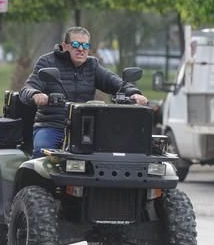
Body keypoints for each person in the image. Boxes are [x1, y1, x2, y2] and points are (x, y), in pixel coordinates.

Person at [19, 26, 148, 157]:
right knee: (42, 150)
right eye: (75, 44)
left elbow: (116, 82)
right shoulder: (47, 62)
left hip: (85, 128)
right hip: (53, 125)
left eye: (85, 45)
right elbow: (27, 89)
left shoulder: (92, 65)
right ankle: (38, 178)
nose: (81, 49)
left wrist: (133, 93)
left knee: (113, 153)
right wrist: (35, 94)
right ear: (65, 46)